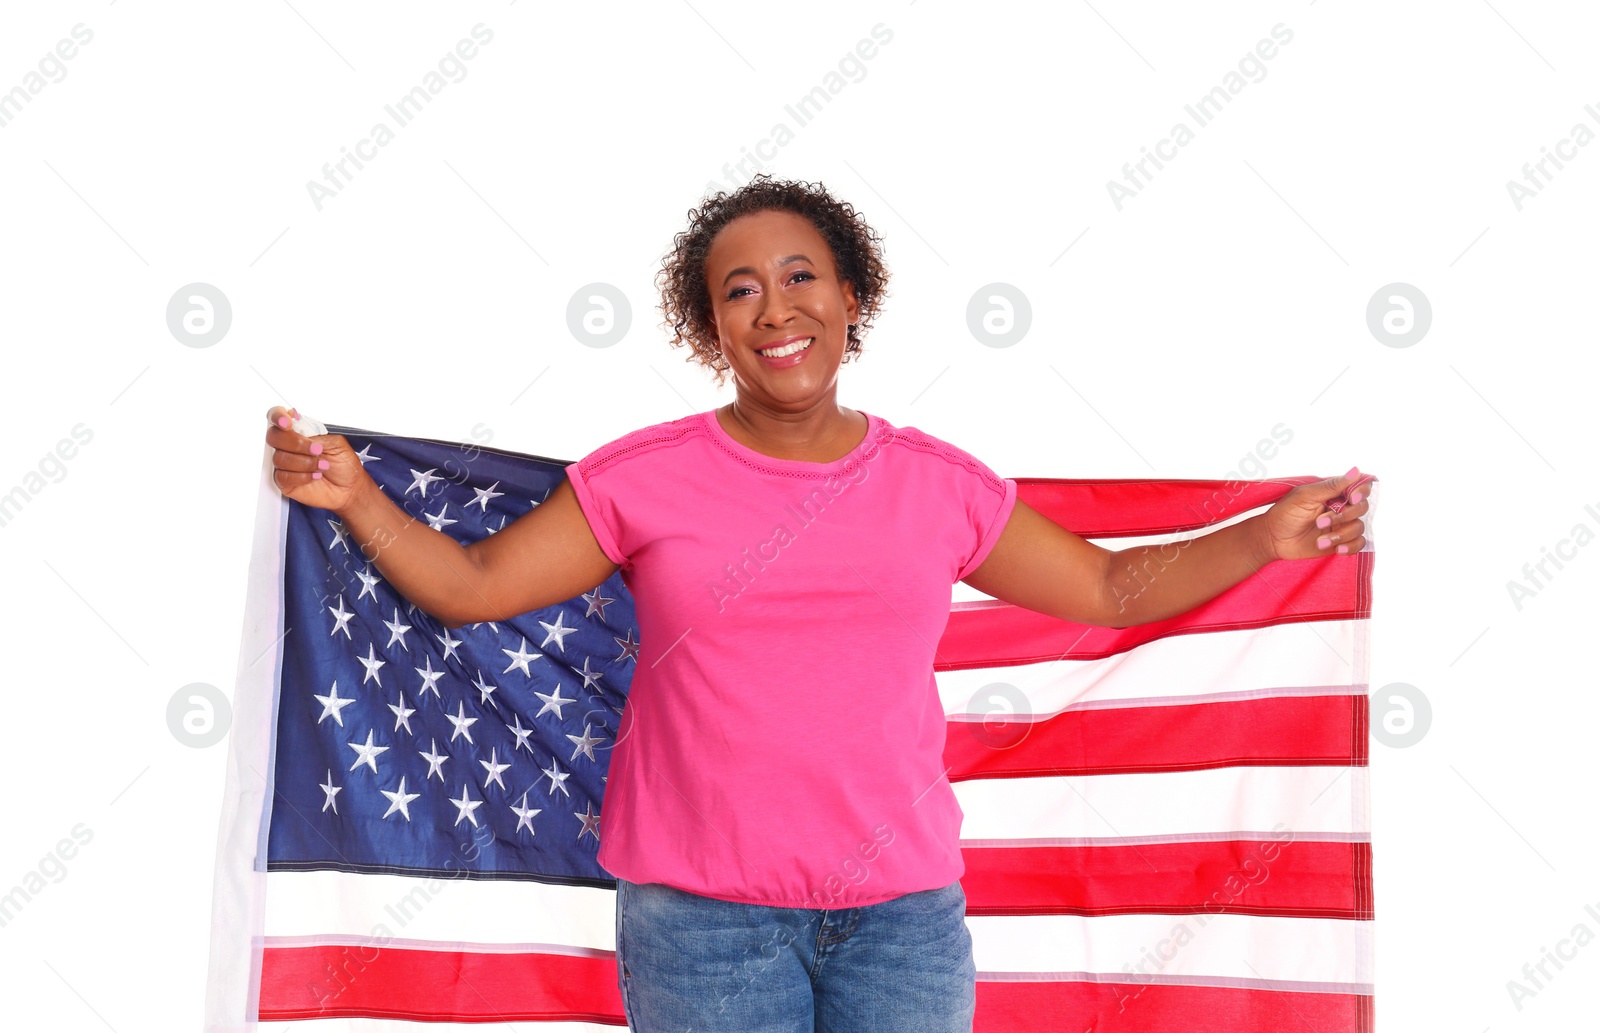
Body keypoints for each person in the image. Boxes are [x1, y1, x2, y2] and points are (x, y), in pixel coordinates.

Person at [262, 175, 1371, 1033]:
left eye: (801, 277)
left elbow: (1104, 586)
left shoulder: (936, 483)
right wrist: (353, 492)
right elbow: (473, 588)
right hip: (702, 921)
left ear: (853, 298)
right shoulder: (642, 477)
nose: (775, 308)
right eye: (738, 290)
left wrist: (1264, 535)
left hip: (901, 920)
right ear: (709, 329)